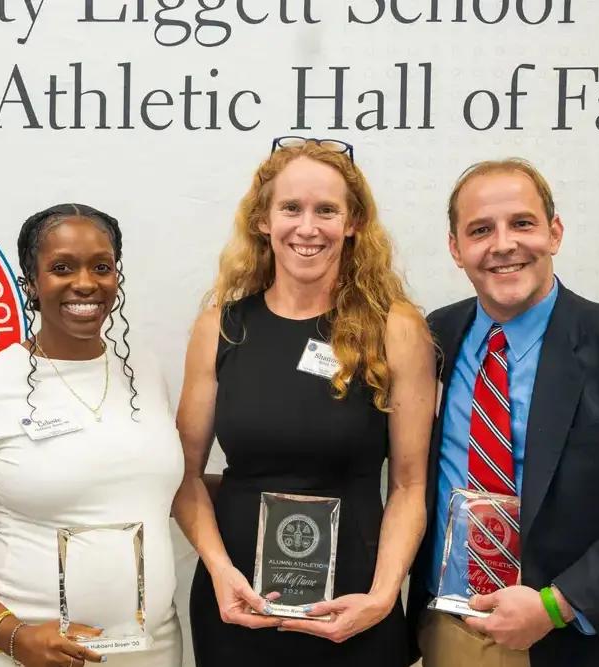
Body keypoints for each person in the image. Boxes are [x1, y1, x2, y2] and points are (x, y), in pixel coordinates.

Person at [406, 158, 599, 667]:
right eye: (480, 230)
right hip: (452, 633)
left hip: (583, 640)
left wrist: (556, 605)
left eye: (522, 224)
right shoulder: (430, 339)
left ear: (554, 233)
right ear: (456, 249)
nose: (503, 244)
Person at [172, 137, 438, 667]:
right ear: (264, 221)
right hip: (239, 606)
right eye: (291, 208)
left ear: (354, 221)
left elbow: (410, 486)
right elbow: (183, 476)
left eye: (327, 210)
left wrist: (384, 597)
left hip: (355, 605)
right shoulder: (220, 329)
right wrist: (222, 575)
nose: (308, 227)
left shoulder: (395, 329)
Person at [0, 203, 185, 667]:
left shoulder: (143, 370)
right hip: (33, 656)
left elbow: (166, 490)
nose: (85, 283)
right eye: (61, 268)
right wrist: (15, 637)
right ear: (31, 285)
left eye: (102, 266)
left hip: (151, 650)